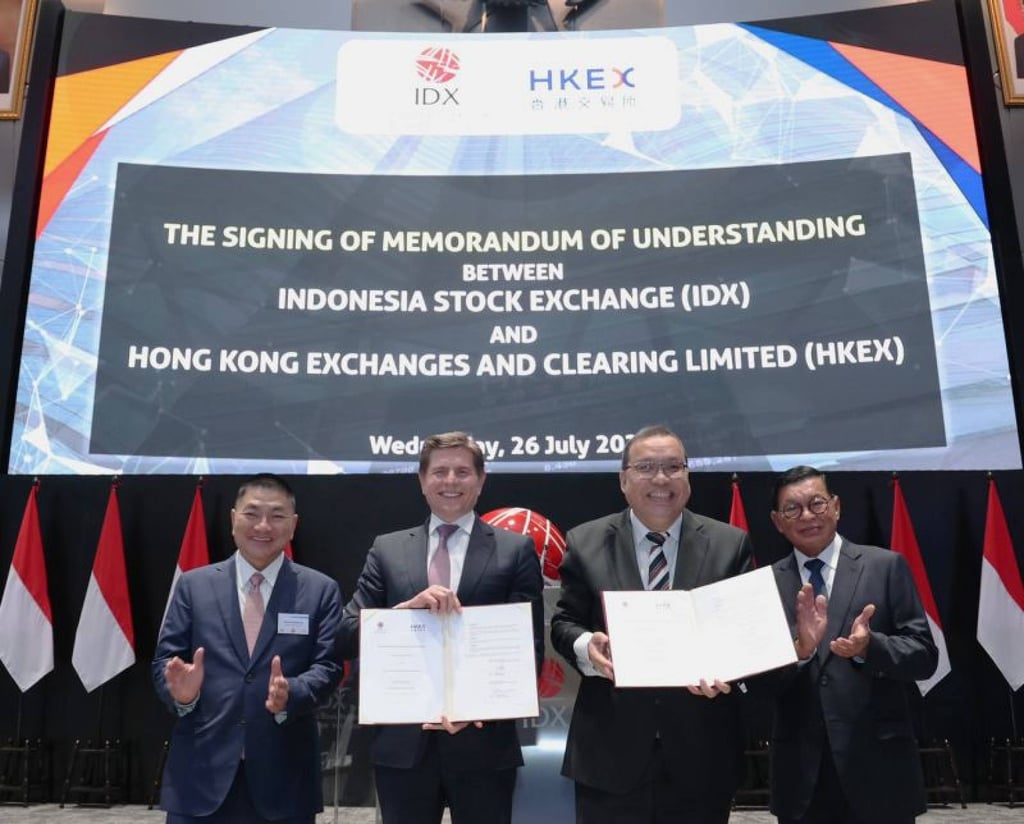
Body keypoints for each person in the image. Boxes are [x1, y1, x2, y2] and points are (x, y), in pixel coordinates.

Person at [550, 424, 754, 823]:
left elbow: (741, 632)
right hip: (609, 756)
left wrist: (731, 669)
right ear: (624, 479)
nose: (661, 479)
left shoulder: (730, 544)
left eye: (673, 467)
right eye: (646, 467)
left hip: (701, 754)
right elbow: (564, 622)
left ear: (688, 477)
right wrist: (585, 645)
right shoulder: (585, 541)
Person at [339, 431, 544, 824]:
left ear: (481, 481)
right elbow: (345, 633)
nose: (451, 481)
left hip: (484, 745)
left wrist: (480, 706)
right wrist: (402, 611)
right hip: (403, 747)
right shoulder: (388, 549)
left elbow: (528, 652)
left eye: (463, 472)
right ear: (422, 480)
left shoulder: (515, 550)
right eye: (440, 471)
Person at [153, 473, 343, 824]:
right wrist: (181, 694)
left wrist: (292, 693)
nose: (263, 526)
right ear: (233, 519)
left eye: (277, 515)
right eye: (252, 513)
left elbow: (329, 667)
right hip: (200, 775)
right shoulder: (194, 586)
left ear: (293, 524)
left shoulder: (320, 590)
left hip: (285, 777)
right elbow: (166, 661)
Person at [767, 465, 938, 824]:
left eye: (816, 503)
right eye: (792, 509)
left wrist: (869, 647)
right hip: (802, 775)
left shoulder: (885, 566)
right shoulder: (764, 584)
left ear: (836, 506)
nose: (807, 516)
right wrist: (799, 652)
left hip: (879, 768)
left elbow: (924, 656)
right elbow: (758, 683)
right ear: (777, 521)